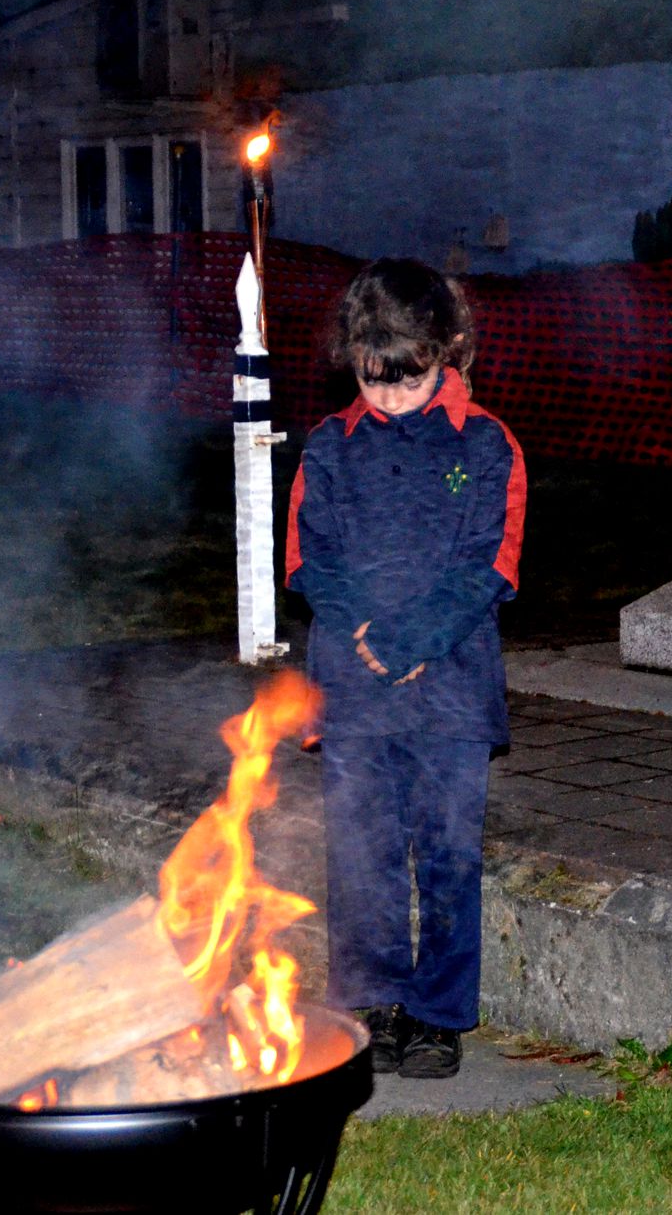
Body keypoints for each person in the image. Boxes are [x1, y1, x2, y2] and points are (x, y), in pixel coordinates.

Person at [283, 258, 526, 1079]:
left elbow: (489, 565)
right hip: (352, 696)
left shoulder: (487, 445)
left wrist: (412, 641)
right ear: (352, 358)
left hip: (451, 692)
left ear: (447, 349)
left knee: (449, 853)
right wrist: (364, 634)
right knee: (362, 853)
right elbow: (308, 557)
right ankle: (373, 1004)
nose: (386, 395)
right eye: (370, 377)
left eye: (405, 378)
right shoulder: (329, 446)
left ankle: (438, 1014)